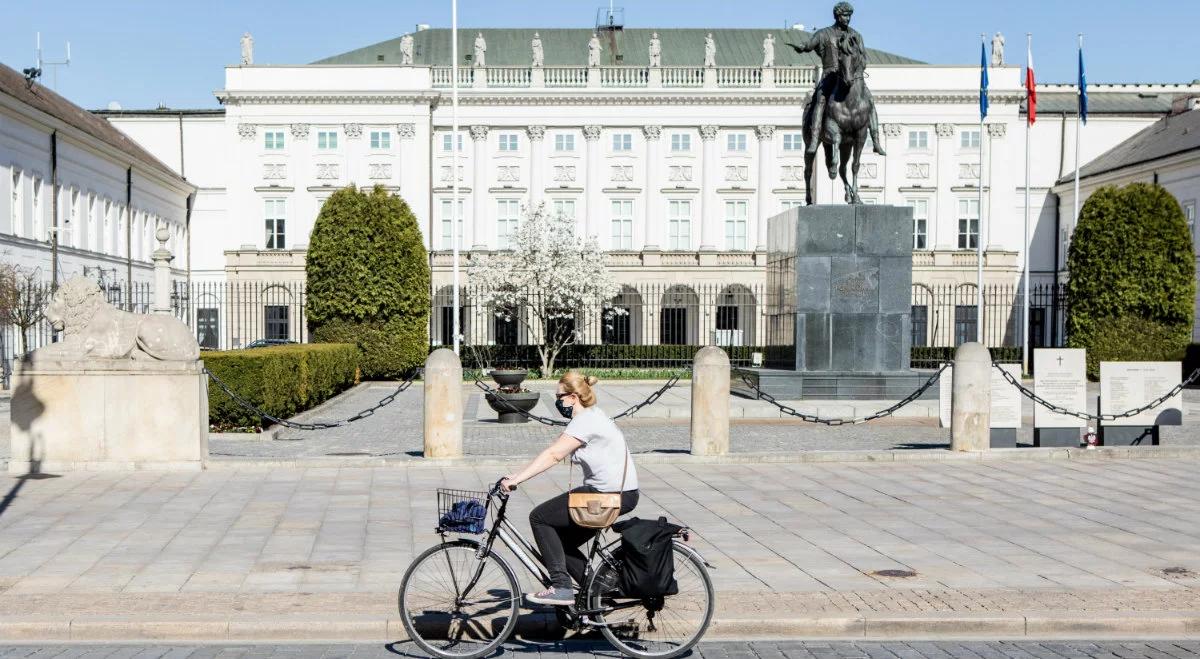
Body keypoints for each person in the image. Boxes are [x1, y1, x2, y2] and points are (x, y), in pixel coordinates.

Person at [500, 371, 639, 606]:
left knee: (540, 518)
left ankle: (561, 587)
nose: (558, 402)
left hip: (608, 496)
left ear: (573, 397)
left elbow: (554, 454)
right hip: (618, 493)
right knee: (558, 543)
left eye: (559, 397)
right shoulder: (594, 415)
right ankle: (599, 590)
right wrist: (517, 475)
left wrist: (518, 479)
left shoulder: (585, 421)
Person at [791, 2, 885, 156]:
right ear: (836, 16)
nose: (847, 19)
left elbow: (863, 58)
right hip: (830, 75)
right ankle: (815, 139)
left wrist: (857, 70)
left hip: (852, 78)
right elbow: (809, 45)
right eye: (844, 15)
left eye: (849, 16)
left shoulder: (856, 36)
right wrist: (802, 46)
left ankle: (876, 140)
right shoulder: (823, 34)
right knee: (820, 100)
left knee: (869, 100)